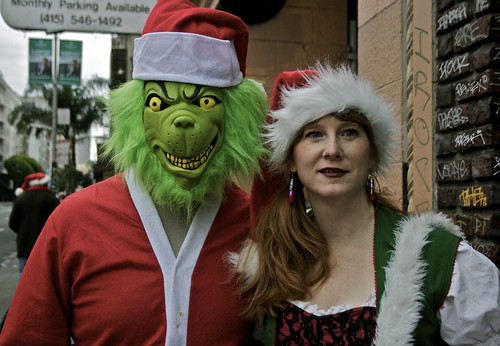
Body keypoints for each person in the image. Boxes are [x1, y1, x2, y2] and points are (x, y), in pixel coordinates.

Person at [0, 0, 268, 344]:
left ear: (235, 116)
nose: (183, 119)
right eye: (159, 103)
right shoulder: (74, 220)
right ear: (134, 114)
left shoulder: (255, 223)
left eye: (205, 101)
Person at [232, 63, 500, 345]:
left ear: (372, 154)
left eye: (349, 132)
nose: (333, 150)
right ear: (291, 160)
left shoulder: (437, 258)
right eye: (314, 134)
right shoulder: (273, 257)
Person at [8, 172, 59, 280]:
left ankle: (22, 296)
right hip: (46, 242)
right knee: (44, 275)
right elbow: (59, 221)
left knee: (22, 272)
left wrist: (21, 232)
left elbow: (12, 222)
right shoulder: (51, 198)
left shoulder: (21, 198)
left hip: (25, 243)